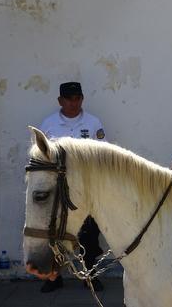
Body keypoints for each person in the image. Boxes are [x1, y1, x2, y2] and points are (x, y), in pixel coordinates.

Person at [38, 82, 106, 293]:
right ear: (60, 101)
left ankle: (90, 276)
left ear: (82, 99)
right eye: (69, 99)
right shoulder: (48, 124)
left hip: (86, 188)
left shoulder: (93, 123)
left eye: (77, 98)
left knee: (89, 235)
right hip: (58, 188)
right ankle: (53, 277)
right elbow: (41, 156)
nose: (74, 103)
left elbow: (103, 153)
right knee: (54, 233)